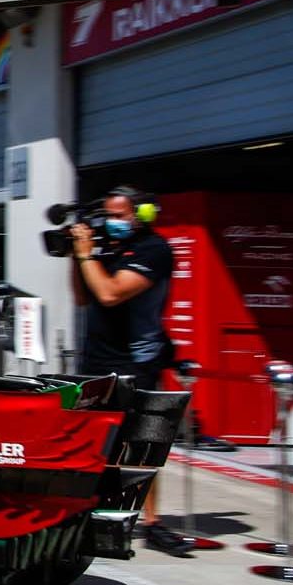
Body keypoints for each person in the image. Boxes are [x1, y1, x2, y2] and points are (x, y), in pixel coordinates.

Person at [71, 186, 192, 557]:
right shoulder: (105, 249)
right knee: (93, 443)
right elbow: (82, 296)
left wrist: (87, 256)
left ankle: (151, 522)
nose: (113, 222)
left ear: (142, 214)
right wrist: (75, 260)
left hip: (135, 361)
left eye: (120, 215)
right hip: (97, 359)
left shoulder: (154, 250)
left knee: (142, 445)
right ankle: (93, 514)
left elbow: (109, 293)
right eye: (109, 215)